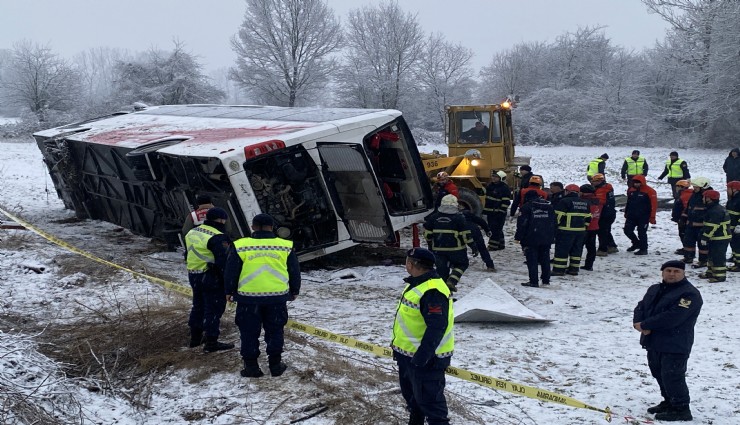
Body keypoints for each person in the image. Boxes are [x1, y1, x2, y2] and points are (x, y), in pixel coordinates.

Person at [224, 213, 301, 378]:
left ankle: (251, 367)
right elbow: (294, 271)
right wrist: (294, 290)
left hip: (248, 299)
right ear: (272, 227)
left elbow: (231, 271)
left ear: (252, 227)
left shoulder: (240, 245)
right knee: (275, 331)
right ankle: (275, 365)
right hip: (277, 298)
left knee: (248, 332)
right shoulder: (285, 245)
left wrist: (229, 291)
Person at [633, 260, 702, 422]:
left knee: (673, 375)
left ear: (683, 273)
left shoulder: (689, 294)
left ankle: (681, 408)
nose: (672, 274)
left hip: (675, 343)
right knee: (658, 373)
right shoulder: (655, 289)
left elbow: (674, 317)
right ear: (662, 272)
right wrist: (639, 323)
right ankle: (669, 401)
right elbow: (641, 307)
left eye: (676, 271)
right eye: (668, 270)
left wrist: (646, 324)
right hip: (653, 341)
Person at [391, 247, 454, 425]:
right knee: (414, 403)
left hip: (426, 360)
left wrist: (421, 358)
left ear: (411, 265)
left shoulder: (432, 291)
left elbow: (437, 327)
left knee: (433, 409)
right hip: (409, 357)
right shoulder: (416, 283)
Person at [184, 207, 235, 352]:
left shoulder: (193, 232)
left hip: (194, 274)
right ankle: (211, 342)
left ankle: (195, 338)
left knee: (198, 306)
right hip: (211, 277)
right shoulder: (218, 236)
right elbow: (224, 262)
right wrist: (229, 283)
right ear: (220, 220)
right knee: (213, 309)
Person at [424, 195, 471, 292]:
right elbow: (465, 235)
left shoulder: (433, 217)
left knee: (442, 272)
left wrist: (430, 245)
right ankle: (452, 281)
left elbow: (427, 234)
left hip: (438, 250)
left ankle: (443, 295)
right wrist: (473, 246)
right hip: (456, 250)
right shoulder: (459, 218)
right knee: (462, 264)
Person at [515, 190, 556, 287]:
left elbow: (522, 224)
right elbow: (554, 222)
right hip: (546, 237)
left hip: (531, 237)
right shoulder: (548, 206)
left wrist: (518, 237)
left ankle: (533, 281)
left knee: (532, 260)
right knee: (545, 259)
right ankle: (546, 280)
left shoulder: (526, 207)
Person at [552, 184, 591, 276]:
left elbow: (558, 216)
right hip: (580, 232)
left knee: (562, 251)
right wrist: (584, 228)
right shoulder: (585, 202)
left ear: (567, 191)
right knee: (576, 251)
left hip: (565, 231)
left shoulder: (564, 201)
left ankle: (558, 270)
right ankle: (574, 269)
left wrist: (554, 227)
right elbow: (588, 218)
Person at [699, 190, 731, 282]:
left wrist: (705, 237)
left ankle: (719, 276)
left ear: (709, 199)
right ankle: (711, 272)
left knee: (718, 257)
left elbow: (712, 226)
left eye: (704, 197)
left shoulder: (715, 211)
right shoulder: (713, 208)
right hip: (716, 237)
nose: (702, 199)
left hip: (720, 238)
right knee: (711, 255)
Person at [681, 177, 711, 268]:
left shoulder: (708, 197)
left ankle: (703, 260)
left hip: (701, 225)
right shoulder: (694, 195)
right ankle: (688, 257)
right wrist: (683, 217)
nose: (694, 189)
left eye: (696, 187)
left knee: (702, 245)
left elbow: (710, 212)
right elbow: (689, 207)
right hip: (691, 224)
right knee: (688, 241)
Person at [624, 175, 657, 256]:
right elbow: (628, 202)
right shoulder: (631, 190)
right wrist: (626, 212)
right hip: (631, 215)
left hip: (644, 216)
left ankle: (643, 249)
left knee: (642, 232)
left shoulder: (650, 191)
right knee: (627, 230)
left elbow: (654, 205)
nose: (636, 185)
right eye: (635, 183)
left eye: (638, 183)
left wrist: (652, 217)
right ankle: (636, 243)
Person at [483, 170, 511, 251]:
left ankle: (493, 246)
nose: (493, 178)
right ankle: (500, 244)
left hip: (498, 212)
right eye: (493, 176)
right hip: (490, 212)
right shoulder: (490, 186)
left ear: (501, 178)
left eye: (496, 177)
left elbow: (506, 201)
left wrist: (501, 211)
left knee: (494, 229)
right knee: (497, 228)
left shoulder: (504, 188)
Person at [592, 174, 618, 256]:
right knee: (606, 230)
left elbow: (601, 201)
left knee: (602, 231)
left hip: (604, 213)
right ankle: (611, 246)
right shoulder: (608, 187)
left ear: (600, 181)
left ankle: (602, 249)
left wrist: (591, 200)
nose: (593, 183)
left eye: (595, 181)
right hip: (610, 212)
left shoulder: (601, 189)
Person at [579, 184, 602, 271]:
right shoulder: (597, 200)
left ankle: (575, 264)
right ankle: (589, 265)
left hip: (584, 227)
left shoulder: (584, 202)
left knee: (579, 247)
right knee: (591, 247)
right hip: (594, 226)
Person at [671, 180, 693, 255]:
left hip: (684, 218)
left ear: (681, 187)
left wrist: (681, 217)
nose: (676, 188)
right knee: (683, 234)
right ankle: (686, 248)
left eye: (677, 186)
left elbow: (685, 207)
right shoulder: (683, 194)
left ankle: (687, 249)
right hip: (682, 218)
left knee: (684, 234)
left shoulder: (684, 195)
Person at [726, 181, 740, 272]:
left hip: (737, 228)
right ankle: (736, 261)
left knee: (738, 247)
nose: (727, 191)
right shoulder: (733, 198)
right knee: (734, 246)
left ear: (734, 189)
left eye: (728, 188)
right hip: (732, 227)